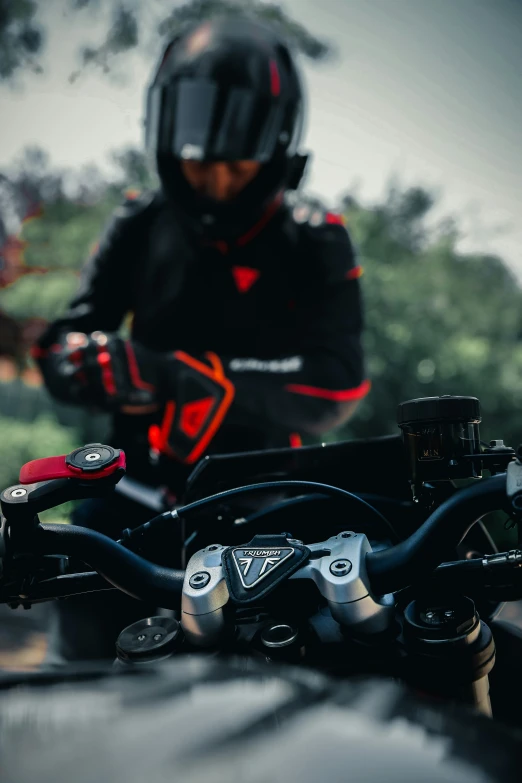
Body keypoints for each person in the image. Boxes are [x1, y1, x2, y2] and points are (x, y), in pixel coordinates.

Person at [34, 16, 369, 661]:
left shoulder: (316, 236)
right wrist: (84, 364)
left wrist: (175, 374)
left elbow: (337, 383)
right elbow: (59, 344)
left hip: (269, 507)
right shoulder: (137, 222)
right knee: (74, 676)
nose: (215, 184)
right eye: (199, 164)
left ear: (275, 149)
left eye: (237, 167)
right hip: (130, 501)